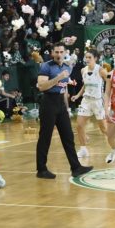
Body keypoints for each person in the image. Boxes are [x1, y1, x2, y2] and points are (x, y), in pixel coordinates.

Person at [35, 42, 92, 179]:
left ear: (65, 52)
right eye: (56, 52)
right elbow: (41, 86)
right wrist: (58, 78)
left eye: (61, 52)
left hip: (61, 103)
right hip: (48, 102)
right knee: (45, 137)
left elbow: (64, 88)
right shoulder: (46, 66)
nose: (59, 54)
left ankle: (76, 167)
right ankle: (41, 169)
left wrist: (66, 107)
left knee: (68, 136)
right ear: (52, 53)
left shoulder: (67, 67)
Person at [71, 49, 109, 159]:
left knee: (104, 129)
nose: (87, 59)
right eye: (86, 57)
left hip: (98, 101)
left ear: (95, 58)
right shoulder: (83, 70)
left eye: (89, 57)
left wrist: (108, 96)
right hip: (86, 101)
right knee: (79, 126)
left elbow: (110, 81)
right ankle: (83, 150)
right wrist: (78, 95)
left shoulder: (101, 70)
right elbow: (85, 85)